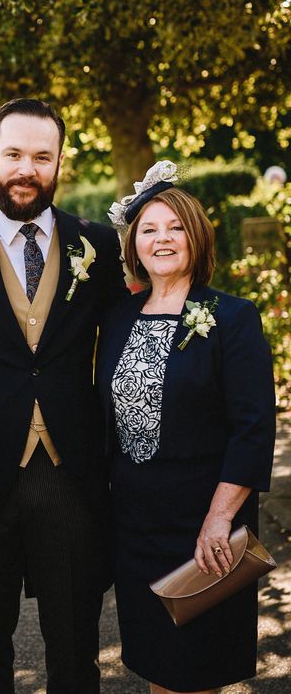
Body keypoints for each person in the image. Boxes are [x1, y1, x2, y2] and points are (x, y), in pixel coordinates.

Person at [0, 98, 128, 693]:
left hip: (72, 476)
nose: (25, 169)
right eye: (13, 154)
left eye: (41, 156)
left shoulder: (98, 247)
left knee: (74, 653)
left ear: (60, 162)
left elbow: (121, 352)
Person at [97, 161, 275, 693]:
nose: (162, 238)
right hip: (136, 528)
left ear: (195, 237)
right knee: (156, 668)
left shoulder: (232, 317)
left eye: (174, 227)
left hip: (206, 528)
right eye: (148, 229)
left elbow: (253, 428)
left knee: (198, 672)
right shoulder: (117, 319)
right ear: (134, 246)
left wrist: (219, 519)